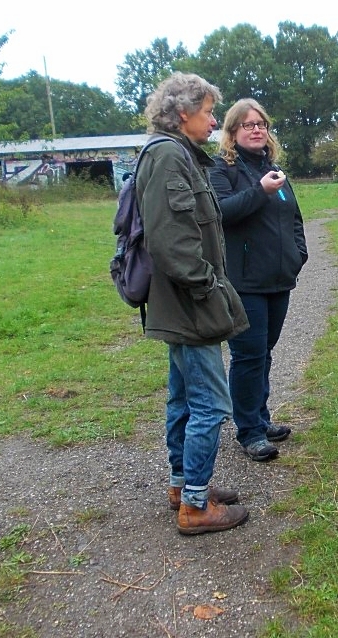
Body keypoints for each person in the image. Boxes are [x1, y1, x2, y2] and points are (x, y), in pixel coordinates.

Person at [135, 72, 252, 535]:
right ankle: (196, 506)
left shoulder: (176, 153)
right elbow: (172, 242)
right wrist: (207, 287)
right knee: (208, 403)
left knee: (183, 398)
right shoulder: (167, 157)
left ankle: (183, 486)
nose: (214, 120)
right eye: (207, 111)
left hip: (181, 299)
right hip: (188, 301)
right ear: (182, 113)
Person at [211, 99, 307, 462]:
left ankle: (260, 418)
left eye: (261, 124)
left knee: (263, 354)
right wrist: (259, 192)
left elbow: (294, 217)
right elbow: (221, 212)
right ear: (232, 132)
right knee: (248, 356)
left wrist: (299, 254)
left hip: (279, 278)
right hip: (245, 281)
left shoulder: (276, 170)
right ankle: (248, 430)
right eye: (247, 124)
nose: (256, 129)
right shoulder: (222, 169)